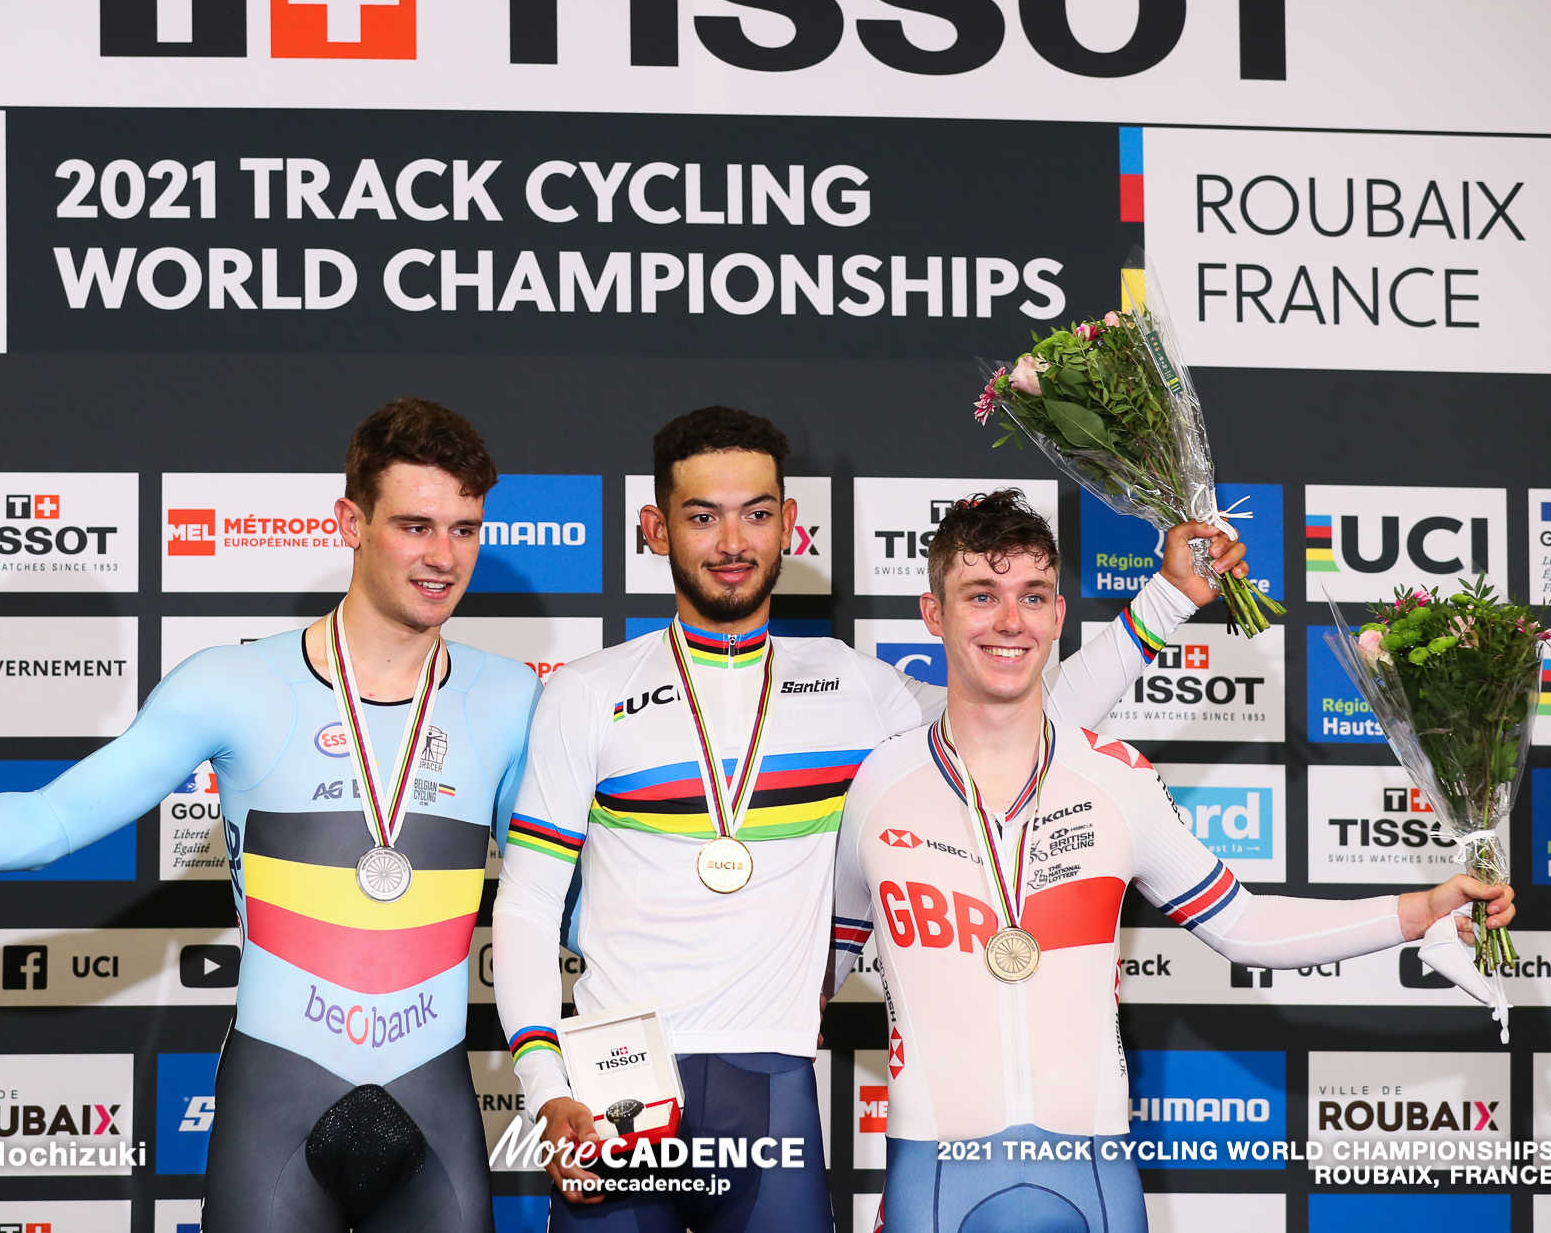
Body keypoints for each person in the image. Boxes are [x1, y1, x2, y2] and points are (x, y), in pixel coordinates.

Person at [0, 398, 542, 1233]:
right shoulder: (233, 685)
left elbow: (566, 896)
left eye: (464, 528)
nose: (443, 556)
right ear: (350, 520)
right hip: (279, 1094)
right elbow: (49, 821)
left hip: (436, 1099)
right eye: (416, 525)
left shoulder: (513, 698)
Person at [489, 407, 1252, 1233]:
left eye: (755, 512)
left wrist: (1171, 598)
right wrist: (545, 1086)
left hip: (774, 1080)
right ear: (654, 527)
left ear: (789, 523)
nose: (732, 540)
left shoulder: (858, 689)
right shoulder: (587, 692)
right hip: (616, 1086)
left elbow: (1030, 711)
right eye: (702, 515)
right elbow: (528, 904)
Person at [828, 492, 1517, 1233]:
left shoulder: (1117, 778)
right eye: (980, 596)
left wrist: (1419, 912)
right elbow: (814, 978)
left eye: (1031, 597)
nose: (1008, 622)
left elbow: (1245, 925)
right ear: (934, 614)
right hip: (931, 1179)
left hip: (1094, 1179)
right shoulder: (879, 786)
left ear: (1058, 618)